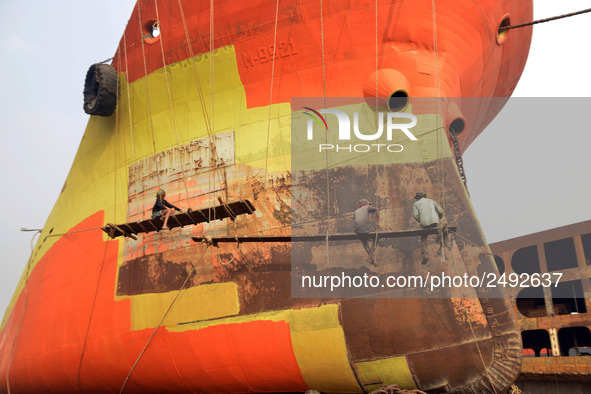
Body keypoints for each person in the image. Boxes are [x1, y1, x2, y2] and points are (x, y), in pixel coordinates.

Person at [412, 191, 449, 264]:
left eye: (417, 198)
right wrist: (439, 218)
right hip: (435, 222)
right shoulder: (431, 201)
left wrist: (421, 219)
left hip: (424, 224)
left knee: (423, 237)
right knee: (445, 231)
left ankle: (425, 254)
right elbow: (441, 211)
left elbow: (415, 216)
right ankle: (441, 249)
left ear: (418, 197)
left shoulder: (415, 204)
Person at [354, 199, 380, 266]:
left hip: (358, 230)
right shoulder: (367, 207)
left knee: (364, 240)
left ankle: (371, 259)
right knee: (376, 238)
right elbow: (377, 209)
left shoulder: (356, 211)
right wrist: (378, 223)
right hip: (365, 228)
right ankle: (369, 257)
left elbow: (356, 221)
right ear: (366, 203)